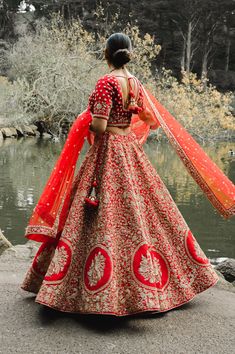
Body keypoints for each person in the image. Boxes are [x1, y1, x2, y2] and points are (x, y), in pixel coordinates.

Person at [21, 33, 234, 316]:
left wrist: (84, 120)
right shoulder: (135, 83)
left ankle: (88, 291)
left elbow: (98, 127)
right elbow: (151, 121)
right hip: (130, 150)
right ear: (129, 53)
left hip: (108, 150)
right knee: (142, 210)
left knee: (98, 213)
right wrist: (131, 119)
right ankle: (156, 286)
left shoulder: (105, 82)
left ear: (106, 54)